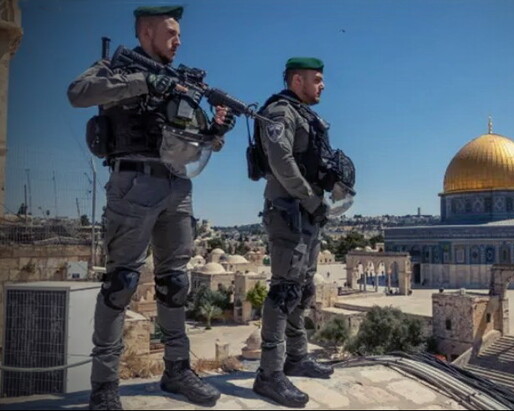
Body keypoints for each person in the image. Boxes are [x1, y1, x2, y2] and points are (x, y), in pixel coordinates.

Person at [67, 6, 234, 410]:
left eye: (179, 34)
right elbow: (78, 94)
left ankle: (177, 370)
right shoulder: (115, 66)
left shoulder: (179, 80)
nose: (178, 41)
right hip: (132, 183)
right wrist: (145, 81)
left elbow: (192, 139)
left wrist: (215, 131)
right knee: (121, 283)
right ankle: (104, 387)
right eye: (171, 33)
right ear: (146, 31)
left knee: (175, 283)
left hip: (177, 185)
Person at [251, 57, 336, 408]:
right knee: (284, 291)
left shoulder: (306, 115)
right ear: (296, 79)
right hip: (289, 213)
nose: (322, 85)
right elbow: (280, 160)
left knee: (303, 290)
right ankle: (269, 374)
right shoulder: (280, 113)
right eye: (316, 79)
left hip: (307, 213)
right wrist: (309, 197)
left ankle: (296, 358)